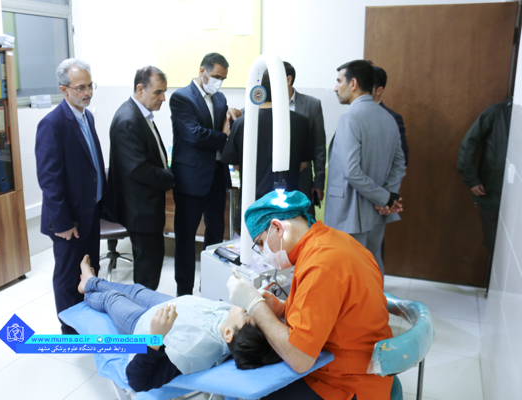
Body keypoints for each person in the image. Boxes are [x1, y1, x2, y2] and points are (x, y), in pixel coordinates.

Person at [226, 190, 394, 400]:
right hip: (367, 368)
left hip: (347, 385)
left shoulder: (320, 264)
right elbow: (330, 310)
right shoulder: (335, 241)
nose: (263, 253)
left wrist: (254, 305)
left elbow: (300, 359)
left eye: (260, 243)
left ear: (277, 228)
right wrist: (281, 308)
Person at [76, 255, 282, 392]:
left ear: (228, 333)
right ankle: (92, 281)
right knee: (134, 290)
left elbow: (137, 380)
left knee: (113, 299)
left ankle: (88, 287)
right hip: (170, 308)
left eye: (247, 312)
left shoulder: (193, 351)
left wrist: (154, 338)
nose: (249, 307)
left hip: (142, 324)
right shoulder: (232, 326)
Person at [36, 58, 113, 334]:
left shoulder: (86, 116)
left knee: (90, 268)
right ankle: (69, 329)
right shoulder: (52, 124)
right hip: (69, 220)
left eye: (90, 86)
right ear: (63, 89)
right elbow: (49, 180)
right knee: (69, 275)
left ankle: (88, 319)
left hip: (90, 211)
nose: (87, 92)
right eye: (80, 87)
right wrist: (63, 223)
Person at [325, 60, 406, 275]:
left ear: (353, 84)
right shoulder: (388, 118)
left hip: (349, 213)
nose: (335, 87)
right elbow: (399, 164)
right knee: (372, 267)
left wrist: (385, 198)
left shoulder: (350, 117)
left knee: (348, 272)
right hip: (377, 213)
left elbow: (351, 172)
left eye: (339, 81)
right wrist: (388, 196)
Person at [170, 52, 241, 296]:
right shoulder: (182, 97)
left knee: (215, 237)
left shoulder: (220, 98)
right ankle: (184, 293)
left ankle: (209, 289)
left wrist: (234, 114)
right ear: (202, 71)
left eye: (223, 78)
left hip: (217, 178)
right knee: (186, 238)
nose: (219, 82)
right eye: (216, 76)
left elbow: (225, 126)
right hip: (190, 180)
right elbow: (194, 134)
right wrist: (224, 135)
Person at [108, 66, 175, 290]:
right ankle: (144, 309)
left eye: (164, 92)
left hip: (146, 206)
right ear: (140, 89)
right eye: (158, 92)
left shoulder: (140, 114)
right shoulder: (128, 120)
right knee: (148, 269)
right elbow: (138, 169)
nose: (163, 98)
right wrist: (169, 178)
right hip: (140, 210)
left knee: (151, 263)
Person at [221, 69, 314, 229]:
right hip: (287, 209)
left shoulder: (242, 123)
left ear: (259, 91)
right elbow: (303, 164)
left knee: (250, 244)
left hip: (252, 207)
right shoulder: (300, 122)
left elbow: (235, 165)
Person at [457, 99, 512, 287]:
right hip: (491, 194)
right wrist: (471, 179)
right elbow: (469, 144)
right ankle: (494, 290)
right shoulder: (497, 112)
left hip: (516, 198)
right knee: (494, 244)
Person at [284, 61, 327, 213]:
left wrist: (318, 182)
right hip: (272, 178)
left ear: (288, 80)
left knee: (303, 220)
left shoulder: (312, 105)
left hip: (302, 178)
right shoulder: (264, 104)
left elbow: (319, 146)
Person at [371, 66, 409, 166]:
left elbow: (401, 159)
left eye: (366, 86)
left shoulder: (392, 118)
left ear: (379, 91)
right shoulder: (350, 114)